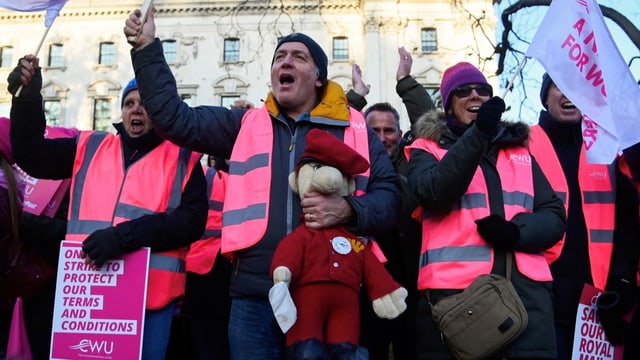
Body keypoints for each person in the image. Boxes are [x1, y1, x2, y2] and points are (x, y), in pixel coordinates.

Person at [124, 8, 401, 360]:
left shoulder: (356, 128)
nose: (285, 62)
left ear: (318, 77)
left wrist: (349, 209)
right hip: (254, 297)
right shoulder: (245, 124)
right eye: (279, 57)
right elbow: (174, 120)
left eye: (298, 57)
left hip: (330, 294)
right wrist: (147, 47)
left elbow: (391, 197)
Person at [7, 58, 208, 360]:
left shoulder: (183, 158)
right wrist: (28, 99)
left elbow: (190, 223)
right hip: (88, 298)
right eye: (129, 103)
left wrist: (123, 237)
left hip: (150, 304)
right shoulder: (90, 146)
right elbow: (32, 156)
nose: (136, 109)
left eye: (145, 103)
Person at [406, 62, 566, 359]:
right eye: (463, 91)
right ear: (448, 105)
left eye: (483, 90)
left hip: (527, 300)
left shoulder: (519, 150)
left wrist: (517, 233)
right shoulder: (426, 148)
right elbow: (433, 194)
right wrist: (479, 133)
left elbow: (555, 215)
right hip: (456, 302)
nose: (475, 96)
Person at [529, 73, 640, 359]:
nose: (569, 94)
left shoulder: (606, 152)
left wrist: (623, 282)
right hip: (538, 304)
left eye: (577, 87)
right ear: (545, 96)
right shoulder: (520, 146)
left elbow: (627, 227)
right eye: (560, 86)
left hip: (597, 308)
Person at [348, 47, 435, 360]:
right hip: (362, 281)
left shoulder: (414, 161)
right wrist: (356, 97)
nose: (382, 137)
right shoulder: (351, 165)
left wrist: (406, 82)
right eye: (374, 131)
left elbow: (431, 123)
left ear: (401, 134)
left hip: (411, 278)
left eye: (389, 131)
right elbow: (332, 127)